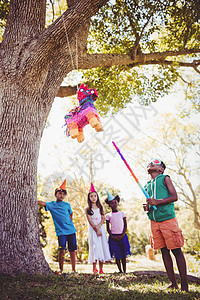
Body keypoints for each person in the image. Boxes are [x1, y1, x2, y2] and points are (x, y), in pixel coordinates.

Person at [143, 158, 188, 291]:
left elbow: (174, 197)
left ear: (161, 169)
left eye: (155, 162)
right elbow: (150, 202)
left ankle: (184, 285)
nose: (150, 163)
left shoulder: (165, 178)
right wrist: (147, 207)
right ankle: (173, 283)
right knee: (163, 251)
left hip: (168, 220)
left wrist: (158, 202)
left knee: (176, 250)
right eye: (149, 162)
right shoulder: (147, 185)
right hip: (154, 222)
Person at [38, 179, 77, 274]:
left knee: (72, 250)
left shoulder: (67, 205)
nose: (61, 195)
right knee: (62, 249)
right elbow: (42, 203)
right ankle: (61, 269)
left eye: (63, 194)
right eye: (59, 193)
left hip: (71, 230)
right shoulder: (52, 204)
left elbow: (71, 213)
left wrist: (70, 219)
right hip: (61, 231)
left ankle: (73, 269)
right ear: (56, 194)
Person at [85, 183, 112, 274]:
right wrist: (95, 229)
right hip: (93, 230)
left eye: (95, 196)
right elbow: (89, 220)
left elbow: (103, 218)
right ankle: (94, 268)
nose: (93, 198)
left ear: (97, 197)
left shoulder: (100, 207)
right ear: (89, 198)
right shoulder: (87, 208)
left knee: (101, 245)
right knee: (94, 246)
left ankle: (101, 269)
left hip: (101, 229)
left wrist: (99, 227)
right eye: (91, 196)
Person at [105, 191, 131, 273]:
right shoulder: (108, 215)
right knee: (117, 255)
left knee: (123, 254)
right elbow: (108, 228)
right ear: (109, 205)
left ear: (118, 203)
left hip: (122, 236)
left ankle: (124, 270)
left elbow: (125, 225)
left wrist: (123, 234)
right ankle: (120, 270)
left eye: (115, 202)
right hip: (113, 237)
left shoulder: (122, 214)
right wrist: (112, 236)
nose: (114, 204)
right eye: (111, 203)